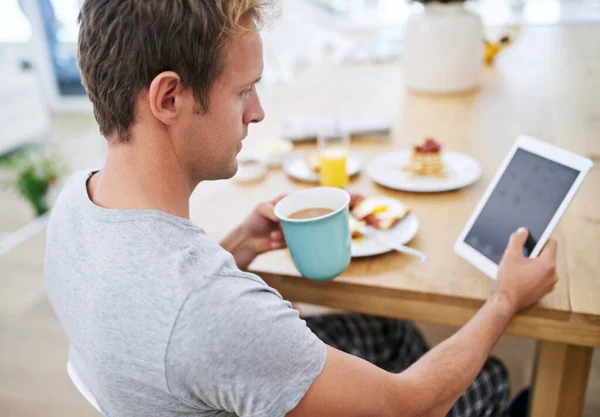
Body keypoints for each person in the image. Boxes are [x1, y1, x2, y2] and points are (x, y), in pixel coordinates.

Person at [44, 1, 558, 416]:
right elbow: (410, 406)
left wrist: (240, 247)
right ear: (169, 98)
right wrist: (504, 299)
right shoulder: (213, 311)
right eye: (243, 91)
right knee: (488, 377)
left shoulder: (75, 202)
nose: (258, 111)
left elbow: (164, 316)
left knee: (386, 329)